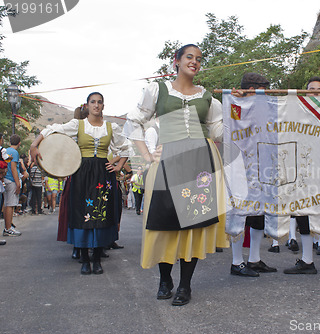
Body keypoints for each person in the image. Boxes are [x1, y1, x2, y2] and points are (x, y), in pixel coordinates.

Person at [123, 44, 228, 306]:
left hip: (200, 160)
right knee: (165, 220)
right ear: (177, 61)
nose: (195, 62)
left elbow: (218, 133)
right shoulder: (157, 90)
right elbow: (133, 120)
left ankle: (185, 285)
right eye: (189, 57)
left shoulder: (208, 98)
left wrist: (238, 108)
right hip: (167, 159)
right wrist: (147, 155)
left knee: (192, 223)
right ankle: (164, 278)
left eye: (199, 59)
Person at [30, 92, 130, 275]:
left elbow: (126, 147)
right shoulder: (78, 125)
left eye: (100, 102)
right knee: (82, 213)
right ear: (87, 105)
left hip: (103, 173)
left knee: (102, 213)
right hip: (81, 172)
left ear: (103, 106)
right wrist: (34, 145)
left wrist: (118, 166)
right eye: (93, 102)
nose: (96, 105)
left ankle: (97, 259)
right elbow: (52, 129)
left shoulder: (111, 127)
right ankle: (85, 259)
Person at [283, 76, 320, 276]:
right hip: (302, 169)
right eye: (311, 90)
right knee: (302, 213)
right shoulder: (297, 113)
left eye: (319, 90)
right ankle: (307, 260)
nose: (315, 93)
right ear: (305, 92)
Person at [229, 72, 278, 278]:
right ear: (251, 89)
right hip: (240, 166)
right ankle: (236, 262)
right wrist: (236, 100)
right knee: (240, 213)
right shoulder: (234, 105)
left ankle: (255, 259)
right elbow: (233, 124)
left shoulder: (266, 106)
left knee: (260, 212)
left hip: (263, 164)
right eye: (263, 88)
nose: (267, 92)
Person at [3, 134, 23, 237]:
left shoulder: (6, 150)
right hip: (11, 180)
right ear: (19, 143)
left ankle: (7, 226)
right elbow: (14, 168)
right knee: (10, 204)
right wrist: (18, 183)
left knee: (6, 204)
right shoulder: (15, 153)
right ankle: (8, 228)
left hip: (5, 179)